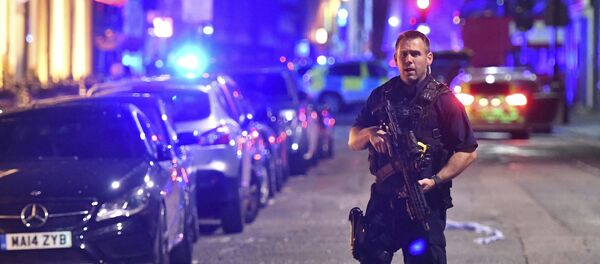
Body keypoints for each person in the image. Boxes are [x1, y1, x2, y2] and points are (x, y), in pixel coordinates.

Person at [348, 30, 478, 263]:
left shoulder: (445, 101)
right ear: (395, 59)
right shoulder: (381, 96)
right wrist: (370, 133)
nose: (409, 60)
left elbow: (468, 152)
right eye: (403, 55)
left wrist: (437, 180)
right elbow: (353, 139)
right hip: (384, 203)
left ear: (428, 58)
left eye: (415, 54)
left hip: (424, 203)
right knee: (371, 257)